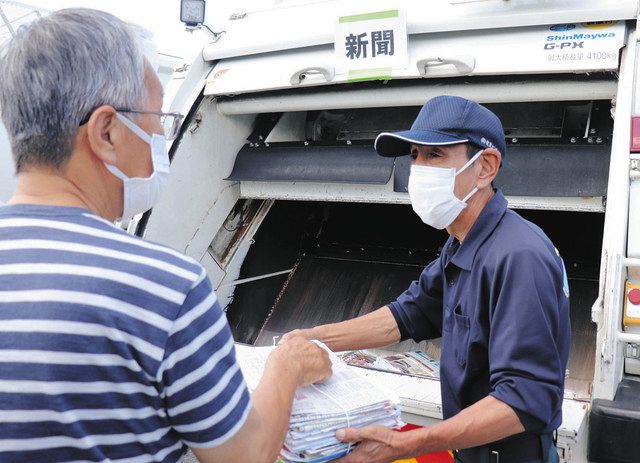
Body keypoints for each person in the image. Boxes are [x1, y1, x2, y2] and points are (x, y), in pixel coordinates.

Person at [0, 8, 331, 463]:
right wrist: (287, 367)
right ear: (107, 132)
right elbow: (245, 456)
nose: (161, 137)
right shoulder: (163, 287)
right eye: (159, 120)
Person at [283, 96, 571, 463]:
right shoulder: (463, 242)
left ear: (485, 167)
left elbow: (526, 399)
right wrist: (308, 340)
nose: (418, 169)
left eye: (434, 156)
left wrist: (407, 443)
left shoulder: (518, 256)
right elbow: (408, 314)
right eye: (415, 155)